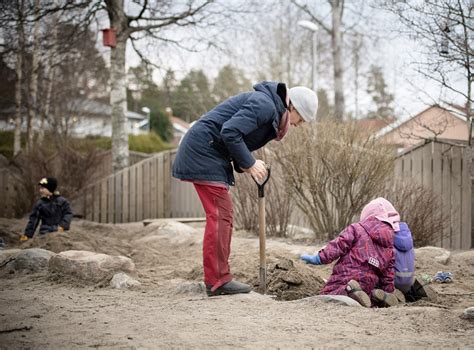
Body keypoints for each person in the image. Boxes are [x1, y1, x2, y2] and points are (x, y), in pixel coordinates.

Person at [172, 81, 318, 296]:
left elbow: (236, 137)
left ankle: (218, 278)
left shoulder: (269, 108)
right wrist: (250, 163)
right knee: (221, 215)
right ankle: (217, 281)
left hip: (209, 152)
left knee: (222, 216)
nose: (298, 125)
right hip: (204, 152)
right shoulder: (265, 105)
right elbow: (230, 131)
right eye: (301, 120)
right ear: (293, 107)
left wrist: (247, 163)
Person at [300, 197, 400, 308]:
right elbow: (388, 275)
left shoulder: (356, 229)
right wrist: (388, 291)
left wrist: (320, 258)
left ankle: (350, 292)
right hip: (368, 284)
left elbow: (338, 245)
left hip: (346, 276)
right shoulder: (389, 247)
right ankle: (377, 297)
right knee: (368, 296)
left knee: (330, 294)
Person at [19, 177, 73, 241]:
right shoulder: (40, 204)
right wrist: (27, 235)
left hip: (60, 234)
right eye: (40, 188)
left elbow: (68, 213)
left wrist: (63, 226)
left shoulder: (62, 201)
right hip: (44, 233)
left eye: (43, 188)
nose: (40, 190)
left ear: (50, 189)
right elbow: (33, 220)